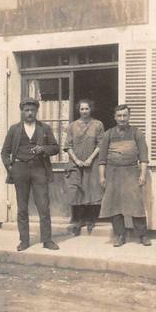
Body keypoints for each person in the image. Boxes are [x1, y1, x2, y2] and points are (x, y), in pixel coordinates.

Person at [1, 97, 60, 251]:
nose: (29, 113)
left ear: (36, 111)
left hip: (39, 169)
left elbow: (55, 148)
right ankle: (24, 241)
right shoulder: (14, 129)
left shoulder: (44, 128)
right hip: (20, 170)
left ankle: (47, 240)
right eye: (26, 110)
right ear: (22, 111)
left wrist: (44, 149)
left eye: (32, 110)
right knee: (22, 207)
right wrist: (11, 168)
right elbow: (5, 152)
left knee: (43, 206)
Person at [99, 104, 151, 247]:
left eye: (125, 115)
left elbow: (144, 157)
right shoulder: (108, 134)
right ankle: (120, 235)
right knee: (115, 205)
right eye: (119, 116)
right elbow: (102, 159)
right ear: (115, 117)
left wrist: (143, 175)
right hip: (113, 172)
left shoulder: (136, 133)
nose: (122, 118)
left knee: (136, 204)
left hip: (131, 172)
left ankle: (142, 235)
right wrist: (102, 176)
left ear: (129, 116)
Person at [64, 99, 105, 236]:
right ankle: (77, 221)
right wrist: (76, 160)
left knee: (91, 189)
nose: (84, 111)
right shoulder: (72, 126)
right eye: (82, 109)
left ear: (91, 109)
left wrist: (89, 159)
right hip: (75, 164)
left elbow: (101, 144)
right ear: (78, 110)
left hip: (92, 163)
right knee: (75, 190)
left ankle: (90, 220)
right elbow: (68, 146)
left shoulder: (98, 124)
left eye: (87, 109)